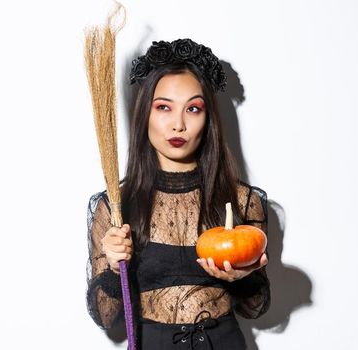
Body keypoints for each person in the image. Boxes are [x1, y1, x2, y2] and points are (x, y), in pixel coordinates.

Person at [85, 38, 270, 350]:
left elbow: (255, 307)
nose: (178, 124)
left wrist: (243, 278)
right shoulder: (117, 207)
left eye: (193, 108)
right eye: (163, 108)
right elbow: (106, 317)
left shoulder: (242, 201)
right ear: (145, 114)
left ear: (208, 118)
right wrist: (117, 268)